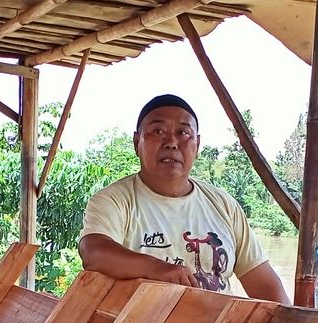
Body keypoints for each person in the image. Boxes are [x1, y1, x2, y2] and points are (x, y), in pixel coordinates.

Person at [78, 94, 290, 303]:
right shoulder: (114, 200)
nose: (171, 142)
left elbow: (263, 283)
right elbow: (93, 251)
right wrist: (157, 269)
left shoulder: (224, 205)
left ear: (197, 144)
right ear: (136, 142)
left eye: (183, 132)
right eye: (158, 131)